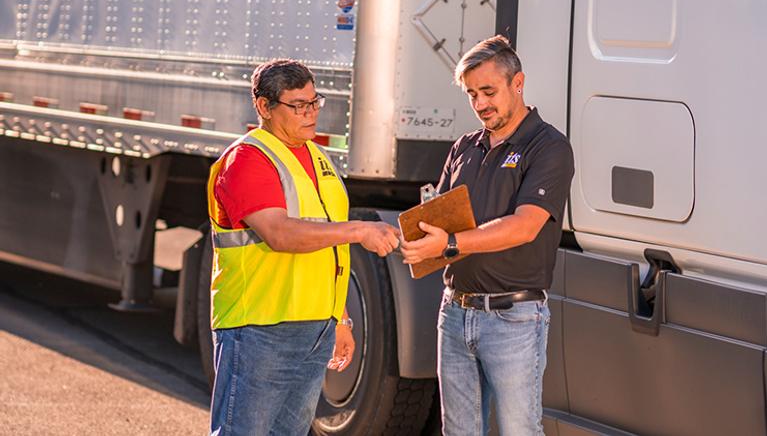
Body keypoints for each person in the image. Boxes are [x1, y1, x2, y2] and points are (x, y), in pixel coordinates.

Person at [207, 58, 399, 436]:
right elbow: (281, 234)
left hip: (313, 328)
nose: (311, 114)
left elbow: (324, 250)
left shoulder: (317, 158)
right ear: (264, 106)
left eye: (315, 102)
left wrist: (339, 317)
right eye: (298, 105)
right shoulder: (247, 159)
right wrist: (359, 230)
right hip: (259, 329)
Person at [401, 35, 574, 436]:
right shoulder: (465, 146)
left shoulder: (548, 147)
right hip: (455, 312)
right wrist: (417, 241)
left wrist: (449, 243)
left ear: (519, 83)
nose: (480, 104)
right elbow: (439, 221)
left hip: (513, 319)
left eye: (488, 91)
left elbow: (525, 225)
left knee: (519, 431)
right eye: (472, 94)